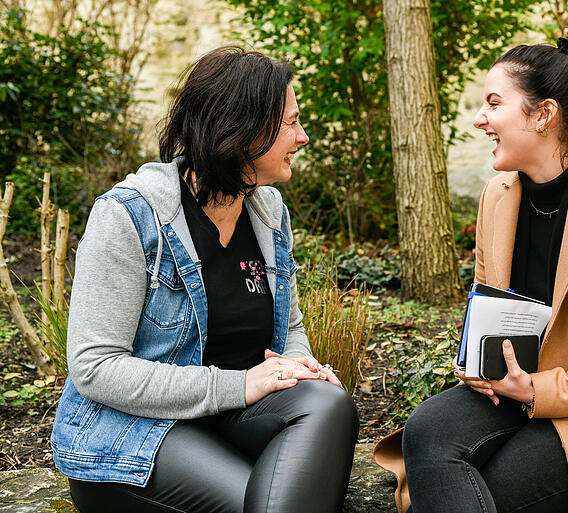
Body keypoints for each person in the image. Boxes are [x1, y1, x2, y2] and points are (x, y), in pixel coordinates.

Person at [374, 35, 568, 513]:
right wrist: (476, 362)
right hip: (512, 391)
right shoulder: (497, 196)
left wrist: (539, 390)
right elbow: (491, 307)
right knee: (427, 431)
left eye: (494, 103)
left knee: (492, 487)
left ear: (543, 115)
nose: (481, 119)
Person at [51, 46, 359, 513]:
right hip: (136, 436)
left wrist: (301, 368)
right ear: (244, 131)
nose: (304, 136)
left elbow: (289, 327)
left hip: (230, 419)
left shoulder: (268, 210)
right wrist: (237, 387)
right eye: (292, 123)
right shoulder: (130, 216)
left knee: (330, 403)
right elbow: (95, 367)